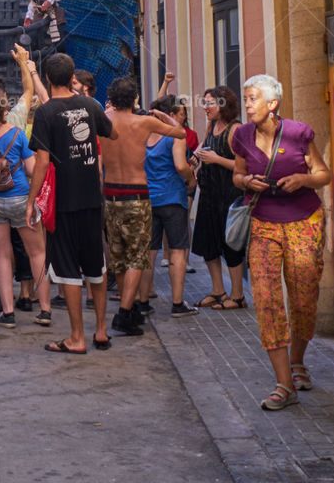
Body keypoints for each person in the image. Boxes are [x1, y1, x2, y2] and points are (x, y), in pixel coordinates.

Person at [231, 74, 330, 411]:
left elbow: (324, 174)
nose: (247, 104)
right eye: (245, 98)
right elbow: (237, 174)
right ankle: (283, 383)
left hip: (304, 221)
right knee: (267, 300)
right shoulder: (241, 135)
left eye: (253, 98)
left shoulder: (299, 133)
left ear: (272, 104)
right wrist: (246, 180)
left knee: (303, 298)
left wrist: (303, 178)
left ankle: (299, 360)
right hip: (263, 224)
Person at [26, 53, 113, 354]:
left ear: (48, 78)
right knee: (95, 266)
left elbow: (42, 162)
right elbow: (110, 131)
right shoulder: (91, 105)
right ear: (72, 77)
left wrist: (32, 201)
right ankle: (101, 329)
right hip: (92, 198)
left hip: (63, 202)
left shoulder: (46, 113)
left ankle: (77, 337)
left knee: (68, 272)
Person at [99, 75, 185, 336]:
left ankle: (133, 306)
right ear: (134, 99)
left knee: (120, 256)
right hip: (136, 193)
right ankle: (125, 312)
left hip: (110, 194)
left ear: (112, 99)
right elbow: (180, 131)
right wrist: (162, 115)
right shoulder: (145, 122)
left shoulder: (102, 122)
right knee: (137, 256)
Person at [0, 86, 52, 327]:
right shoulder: (18, 134)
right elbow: (32, 170)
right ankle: (45, 309)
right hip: (20, 197)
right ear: (5, 108)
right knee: (37, 253)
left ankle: (7, 312)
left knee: (0, 254)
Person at [191, 85, 245, 309]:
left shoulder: (235, 130)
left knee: (231, 245)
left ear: (223, 105)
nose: (205, 107)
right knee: (208, 243)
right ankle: (217, 290)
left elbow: (244, 166)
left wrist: (216, 159)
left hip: (229, 196)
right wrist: (196, 156)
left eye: (209, 103)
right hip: (209, 195)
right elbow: (204, 145)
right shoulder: (212, 125)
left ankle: (238, 295)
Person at [144, 95, 198, 317]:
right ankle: (177, 303)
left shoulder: (145, 135)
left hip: (149, 198)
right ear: (171, 114)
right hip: (173, 198)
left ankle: (143, 299)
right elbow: (179, 166)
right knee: (177, 250)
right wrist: (190, 176)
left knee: (149, 251)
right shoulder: (176, 136)